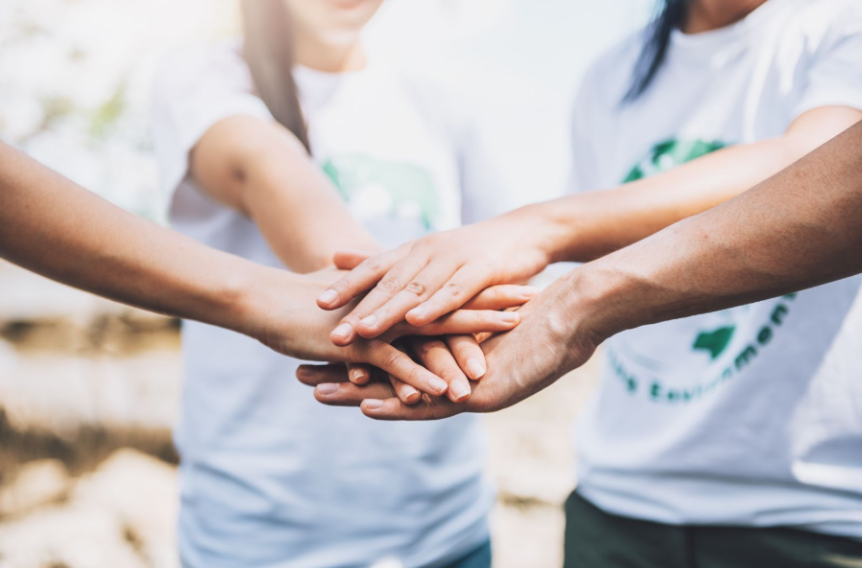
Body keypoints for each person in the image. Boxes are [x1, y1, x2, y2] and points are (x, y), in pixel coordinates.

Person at [313, 0, 862, 566]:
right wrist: (454, 328)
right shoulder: (611, 75)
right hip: (618, 503)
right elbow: (598, 250)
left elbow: (824, 164)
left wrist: (539, 229)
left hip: (811, 511)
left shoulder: (842, 23)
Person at [150, 0, 532, 566]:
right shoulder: (205, 74)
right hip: (260, 538)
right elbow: (262, 168)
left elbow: (503, 263)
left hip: (447, 528)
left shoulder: (439, 107)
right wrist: (393, 306)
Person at [0, 141, 488, 373]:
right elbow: (262, 164)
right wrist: (379, 296)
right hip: (252, 515)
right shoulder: (206, 72)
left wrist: (400, 300)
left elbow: (479, 260)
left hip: (447, 513)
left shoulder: (443, 98)